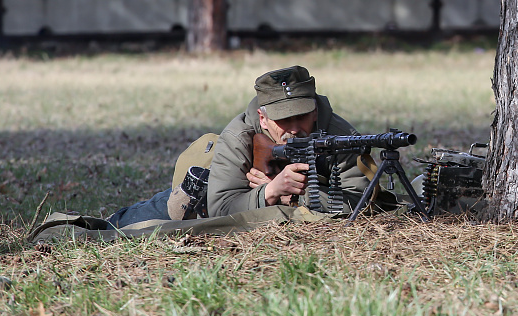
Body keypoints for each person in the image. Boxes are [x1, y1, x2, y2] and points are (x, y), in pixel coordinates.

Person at [106, 65, 389, 228]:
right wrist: (272, 190)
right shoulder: (239, 135)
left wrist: (290, 195)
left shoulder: (341, 136)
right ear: (263, 119)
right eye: (282, 119)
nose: (293, 128)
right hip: (201, 193)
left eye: (301, 116)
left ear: (315, 110)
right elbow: (220, 208)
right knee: (132, 223)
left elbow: (362, 205)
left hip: (263, 200)